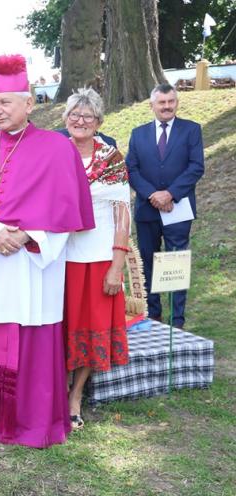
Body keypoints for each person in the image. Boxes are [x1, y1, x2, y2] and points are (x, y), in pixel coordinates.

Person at [0, 54, 94, 448]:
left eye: (6, 102)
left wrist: (26, 236)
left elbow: (67, 209)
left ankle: (31, 419)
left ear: (29, 103)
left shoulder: (58, 149)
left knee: (33, 328)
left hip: (31, 265)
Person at [62, 88, 131, 429]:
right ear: (65, 119)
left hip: (99, 257)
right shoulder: (56, 154)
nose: (80, 121)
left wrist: (117, 265)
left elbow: (122, 213)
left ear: (99, 122)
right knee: (60, 326)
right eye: (74, 115)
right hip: (58, 256)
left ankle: (76, 395)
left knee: (92, 328)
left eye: (87, 116)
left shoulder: (111, 158)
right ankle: (55, 390)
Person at [126, 83, 204, 329]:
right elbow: (131, 170)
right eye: (162, 102)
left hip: (178, 209)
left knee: (176, 262)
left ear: (177, 103)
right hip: (147, 210)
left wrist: (170, 194)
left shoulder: (191, 130)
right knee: (148, 261)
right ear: (152, 105)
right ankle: (154, 315)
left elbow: (196, 167)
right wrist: (153, 195)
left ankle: (177, 320)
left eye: (171, 101)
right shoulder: (138, 134)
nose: (167, 106)